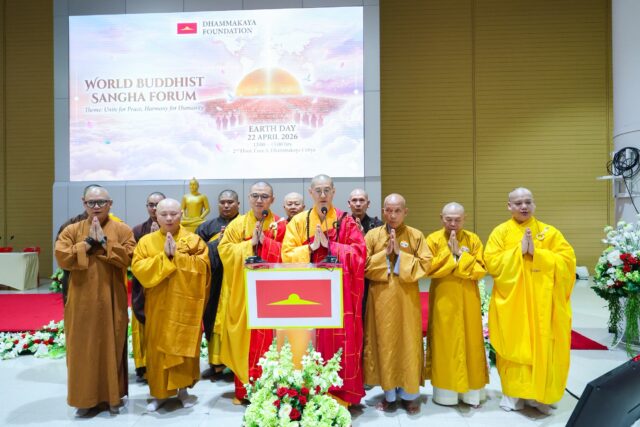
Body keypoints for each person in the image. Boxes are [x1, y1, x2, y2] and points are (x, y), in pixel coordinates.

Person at [484, 188, 576, 414]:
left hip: (544, 305)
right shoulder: (500, 232)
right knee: (514, 346)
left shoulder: (549, 232)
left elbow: (568, 262)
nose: (523, 206)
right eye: (518, 203)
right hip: (513, 303)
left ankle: (540, 396)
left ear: (534, 204)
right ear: (509, 206)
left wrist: (538, 254)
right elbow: (491, 263)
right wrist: (518, 251)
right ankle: (514, 396)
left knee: (545, 347)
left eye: (528, 202)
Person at [282, 174, 366, 406]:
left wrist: (332, 246)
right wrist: (311, 247)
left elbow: (360, 254)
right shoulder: (299, 221)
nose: (322, 195)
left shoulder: (346, 221)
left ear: (333, 192)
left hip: (339, 294)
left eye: (326, 190)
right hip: (307, 293)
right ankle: (307, 392)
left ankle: (341, 393)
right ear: (310, 193)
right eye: (317, 190)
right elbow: (286, 255)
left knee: (339, 340)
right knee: (308, 342)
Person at [55, 186, 136, 416]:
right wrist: (89, 243)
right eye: (91, 202)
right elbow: (62, 256)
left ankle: (113, 397)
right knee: (82, 347)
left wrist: (106, 243)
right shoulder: (71, 230)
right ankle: (85, 399)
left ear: (110, 204)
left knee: (113, 343)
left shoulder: (122, 229)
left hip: (112, 299)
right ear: (84, 203)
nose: (96, 207)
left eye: (101, 202)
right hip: (81, 300)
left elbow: (131, 256)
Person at [131, 198, 210, 412]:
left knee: (183, 347)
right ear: (156, 216)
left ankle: (183, 391)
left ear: (181, 215)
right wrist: (164, 258)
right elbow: (138, 268)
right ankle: (159, 394)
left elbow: (204, 267)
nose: (168, 218)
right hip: (158, 305)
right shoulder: (146, 242)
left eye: (173, 214)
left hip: (184, 306)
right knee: (157, 349)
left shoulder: (193, 240)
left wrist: (178, 258)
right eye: (163, 214)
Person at [213, 182, 287, 403]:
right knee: (244, 341)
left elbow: (289, 254)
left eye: (264, 196)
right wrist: (250, 245)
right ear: (249, 198)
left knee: (272, 342)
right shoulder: (237, 225)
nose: (259, 200)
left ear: (272, 199)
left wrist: (266, 243)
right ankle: (245, 390)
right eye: (255, 195)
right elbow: (224, 251)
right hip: (244, 292)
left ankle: (273, 391)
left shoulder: (281, 225)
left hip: (273, 294)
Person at [363, 194, 431, 414]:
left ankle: (410, 396)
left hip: (406, 298)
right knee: (385, 344)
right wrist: (385, 255)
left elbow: (426, 264)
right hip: (381, 297)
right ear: (383, 211)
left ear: (405, 212)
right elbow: (363, 265)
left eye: (397, 211)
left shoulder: (415, 235)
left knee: (408, 343)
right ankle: (389, 395)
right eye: (388, 210)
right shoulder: (373, 235)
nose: (392, 215)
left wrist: (401, 255)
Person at [425, 202, 488, 407]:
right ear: (441, 218)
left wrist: (461, 254)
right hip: (444, 298)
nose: (453, 224)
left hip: (468, 299)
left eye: (457, 220)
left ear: (464, 218)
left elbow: (481, 269)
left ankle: (471, 394)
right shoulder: (433, 239)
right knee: (444, 342)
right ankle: (446, 394)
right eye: (449, 219)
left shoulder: (473, 239)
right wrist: (449, 254)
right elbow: (428, 268)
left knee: (471, 341)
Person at [194, 189, 240, 379]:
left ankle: (236, 364)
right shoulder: (206, 227)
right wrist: (217, 244)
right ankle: (216, 364)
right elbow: (196, 254)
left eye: (230, 202)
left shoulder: (244, 224)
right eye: (223, 202)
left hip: (237, 281)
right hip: (214, 281)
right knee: (212, 319)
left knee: (236, 321)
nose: (226, 205)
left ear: (238, 204)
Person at [129, 191, 166, 383]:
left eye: (158, 205)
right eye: (151, 205)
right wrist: (150, 240)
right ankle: (143, 366)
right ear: (147, 207)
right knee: (141, 327)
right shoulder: (137, 230)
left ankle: (164, 366)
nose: (154, 208)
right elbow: (132, 259)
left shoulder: (175, 230)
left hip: (166, 288)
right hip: (142, 289)